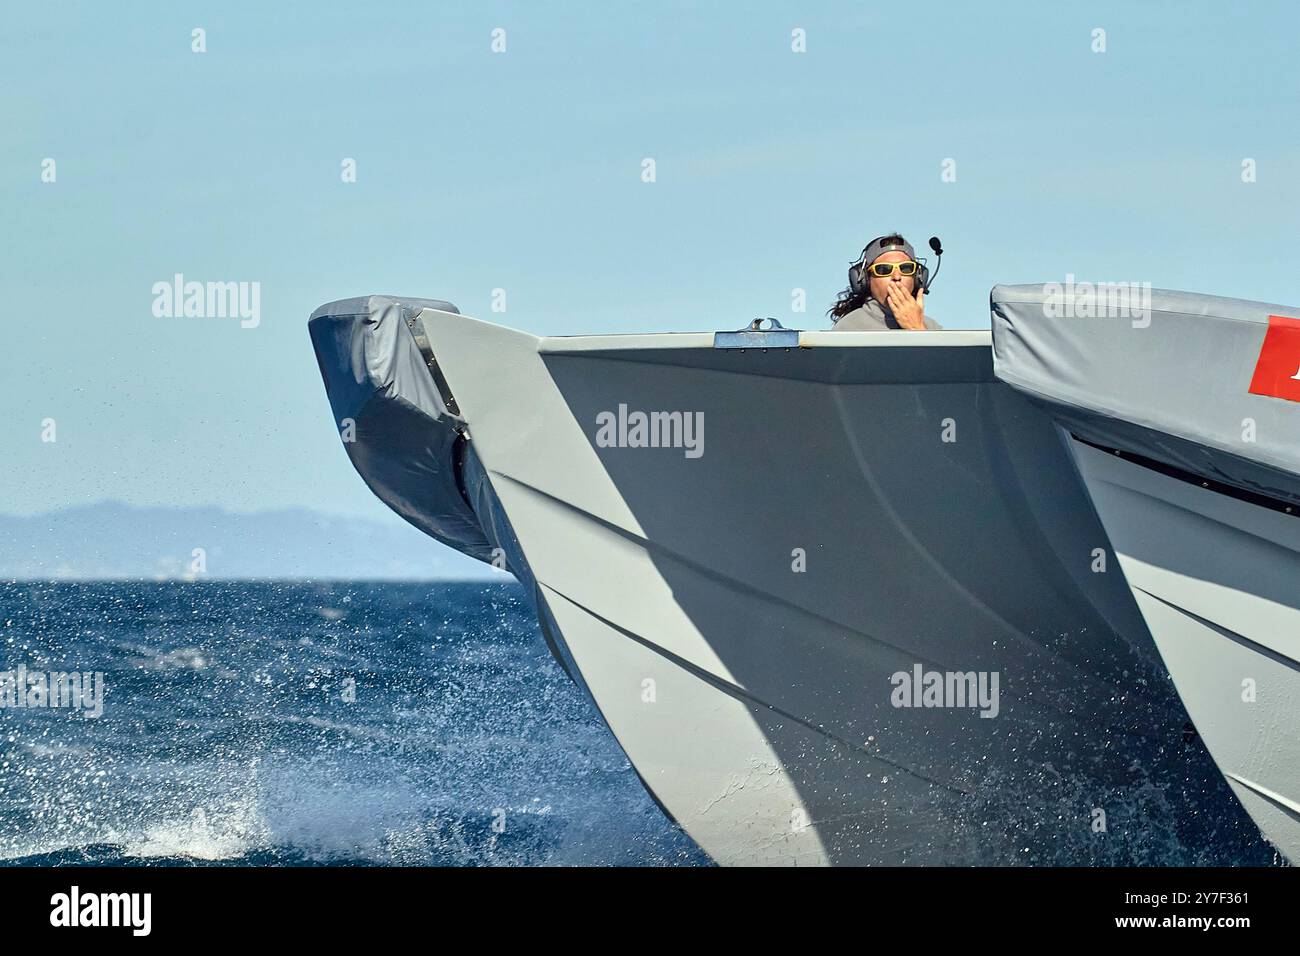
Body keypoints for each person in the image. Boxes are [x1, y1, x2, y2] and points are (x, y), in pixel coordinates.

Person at [828, 234, 942, 330]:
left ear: (918, 277)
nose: (897, 277)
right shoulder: (848, 328)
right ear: (865, 280)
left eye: (906, 268)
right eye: (883, 269)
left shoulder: (932, 328)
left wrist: (917, 328)